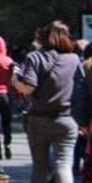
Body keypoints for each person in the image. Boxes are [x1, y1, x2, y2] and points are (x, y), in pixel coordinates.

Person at [14, 21, 80, 183]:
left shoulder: (35, 57)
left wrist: (15, 82)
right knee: (63, 165)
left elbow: (28, 88)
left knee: (40, 167)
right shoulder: (74, 59)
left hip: (39, 119)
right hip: (67, 118)